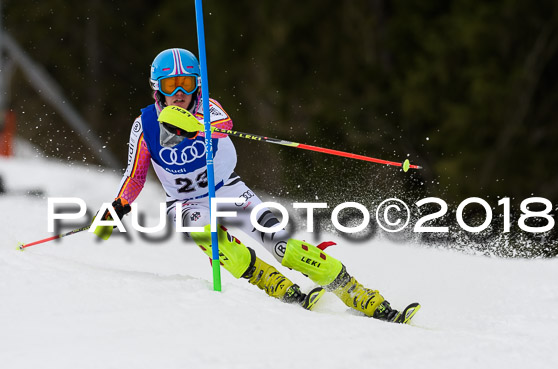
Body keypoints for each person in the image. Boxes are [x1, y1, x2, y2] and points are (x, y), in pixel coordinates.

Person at [99, 48, 419, 323]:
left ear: (197, 85)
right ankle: (274, 283)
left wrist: (197, 128)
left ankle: (357, 294)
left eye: (187, 83)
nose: (180, 92)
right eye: (172, 85)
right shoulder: (145, 126)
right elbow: (135, 175)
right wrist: (118, 206)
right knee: (216, 243)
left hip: (228, 189)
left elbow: (225, 123)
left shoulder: (207, 107)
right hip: (186, 204)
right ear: (158, 89)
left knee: (285, 245)